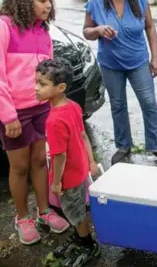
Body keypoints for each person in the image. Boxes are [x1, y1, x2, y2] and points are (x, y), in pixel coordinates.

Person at [0, 0, 69, 245]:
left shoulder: (42, 30)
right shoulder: (1, 27)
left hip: (40, 108)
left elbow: (48, 73)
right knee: (19, 167)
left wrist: (54, 103)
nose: (48, 5)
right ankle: (22, 218)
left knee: (40, 161)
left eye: (49, 0)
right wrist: (8, 116)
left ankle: (44, 212)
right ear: (23, 0)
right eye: (42, 0)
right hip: (13, 113)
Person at [83, 0, 157, 168]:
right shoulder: (96, 1)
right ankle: (123, 146)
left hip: (138, 61)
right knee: (118, 105)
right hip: (110, 63)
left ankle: (156, 146)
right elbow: (86, 31)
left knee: (149, 103)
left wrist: (155, 57)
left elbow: (150, 27)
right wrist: (97, 30)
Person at [35, 58, 101, 266]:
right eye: (36, 82)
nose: (35, 88)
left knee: (75, 213)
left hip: (68, 179)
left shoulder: (54, 120)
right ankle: (80, 238)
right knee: (78, 208)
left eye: (42, 84)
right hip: (80, 171)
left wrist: (55, 182)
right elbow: (83, 135)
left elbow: (59, 155)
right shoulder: (72, 106)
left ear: (60, 87)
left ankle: (88, 245)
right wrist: (91, 161)